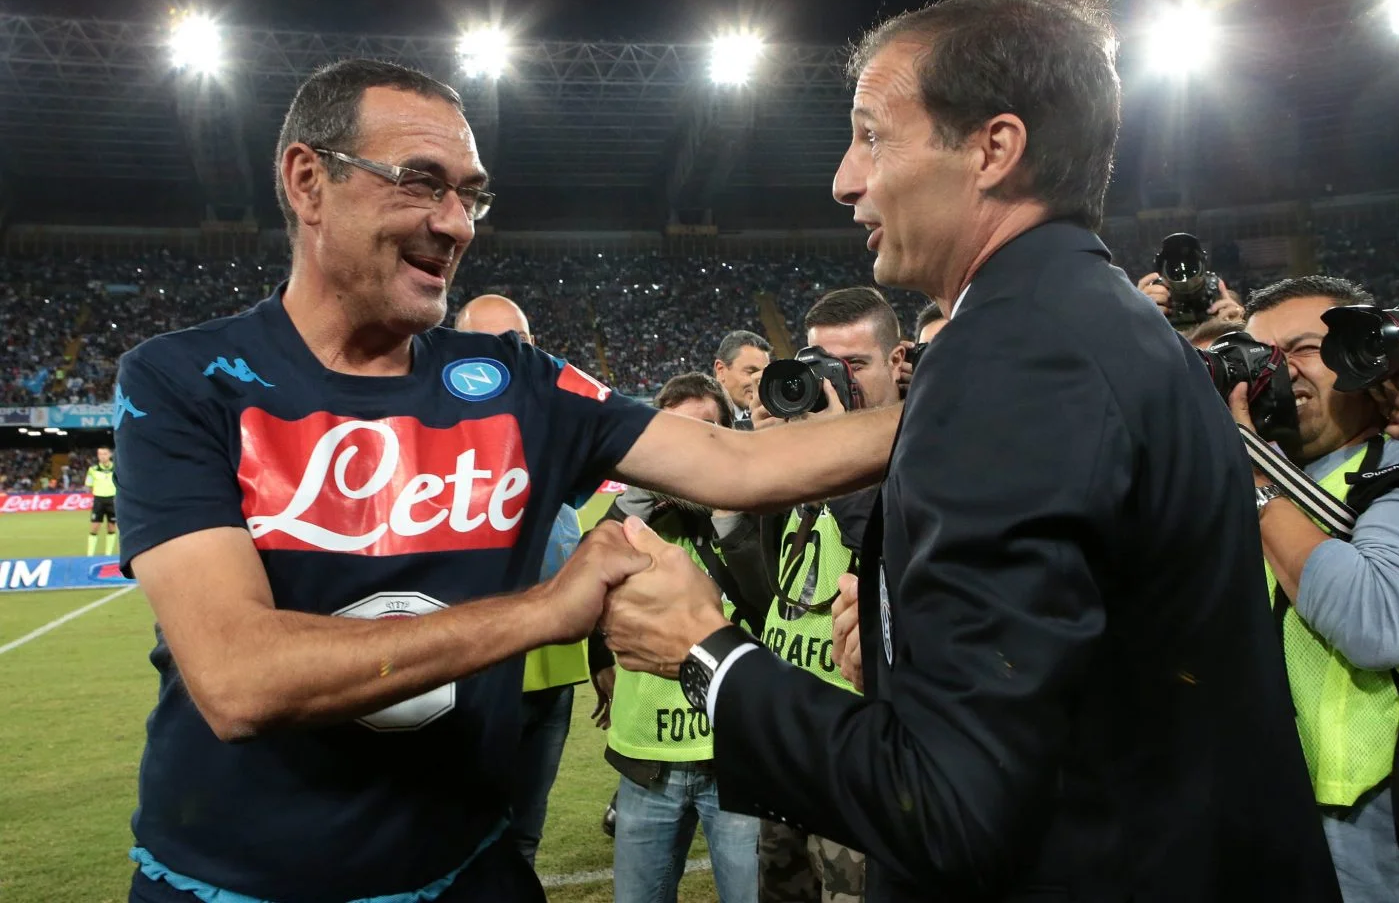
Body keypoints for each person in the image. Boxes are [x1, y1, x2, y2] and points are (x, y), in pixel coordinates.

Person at [599, 0, 1341, 903]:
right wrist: (904, 649)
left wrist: (705, 651)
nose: (844, 179)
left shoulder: (1016, 356)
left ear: (994, 148)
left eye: (872, 135)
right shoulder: (1101, 322)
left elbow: (950, 806)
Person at [114, 58, 898, 903]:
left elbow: (740, 463)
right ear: (308, 181)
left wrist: (972, 399)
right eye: (422, 182)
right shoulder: (183, 381)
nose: (456, 224)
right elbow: (238, 678)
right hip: (230, 886)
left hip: (467, 872)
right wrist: (545, 611)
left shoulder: (518, 384)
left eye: (471, 196)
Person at [1228, 276, 1399, 901]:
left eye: (1304, 348)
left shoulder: (1391, 467)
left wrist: (1251, 472)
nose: (1279, 371)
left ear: (1366, 362)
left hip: (1365, 820)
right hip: (1262, 805)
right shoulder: (1230, 484)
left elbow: (1372, 621)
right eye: (1260, 355)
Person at [753, 287, 909, 903]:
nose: (836, 383)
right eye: (821, 366)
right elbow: (761, 572)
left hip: (859, 742)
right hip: (789, 734)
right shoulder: (803, 446)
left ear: (896, 359)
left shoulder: (919, 448)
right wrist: (766, 454)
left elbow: (893, 552)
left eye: (856, 365)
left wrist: (837, 454)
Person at [602, 372, 759, 903]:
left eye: (706, 432)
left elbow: (766, 603)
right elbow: (586, 589)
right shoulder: (628, 524)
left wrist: (727, 510)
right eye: (677, 435)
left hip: (735, 758)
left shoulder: (754, 515)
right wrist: (637, 496)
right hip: (648, 760)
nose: (691, 452)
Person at [454, 293, 589, 870]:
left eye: (518, 342)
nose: (505, 355)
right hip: (473, 672)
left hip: (554, 668)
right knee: (462, 835)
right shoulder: (433, 431)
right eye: (486, 344)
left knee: (525, 833)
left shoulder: (557, 423)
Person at [712, 330, 772, 429]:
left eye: (764, 375)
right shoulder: (699, 418)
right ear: (721, 370)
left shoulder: (759, 419)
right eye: (751, 372)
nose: (760, 382)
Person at [86, 446, 118, 556]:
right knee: (94, 527)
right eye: (100, 454)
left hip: (112, 500)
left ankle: (108, 554)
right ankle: (90, 555)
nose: (102, 456)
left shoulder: (117, 468)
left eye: (104, 454)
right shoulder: (93, 469)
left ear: (110, 455)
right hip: (99, 500)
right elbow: (89, 484)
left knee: (111, 527)